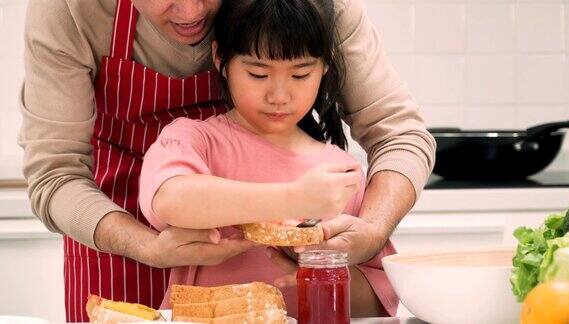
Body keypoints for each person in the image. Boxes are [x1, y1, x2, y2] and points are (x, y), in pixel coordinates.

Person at [18, 0, 435, 322]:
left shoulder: (332, 168)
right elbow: (57, 173)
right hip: (110, 227)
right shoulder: (70, 11)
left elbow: (398, 132)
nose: (191, 12)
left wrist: (372, 233)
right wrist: (147, 244)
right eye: (258, 73)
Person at [138, 0, 397, 317]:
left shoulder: (339, 174)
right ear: (221, 59)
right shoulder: (195, 140)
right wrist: (295, 198)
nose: (279, 95)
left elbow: (379, 302)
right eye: (258, 74)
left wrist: (317, 271)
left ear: (325, 66)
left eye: (300, 75)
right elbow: (169, 200)